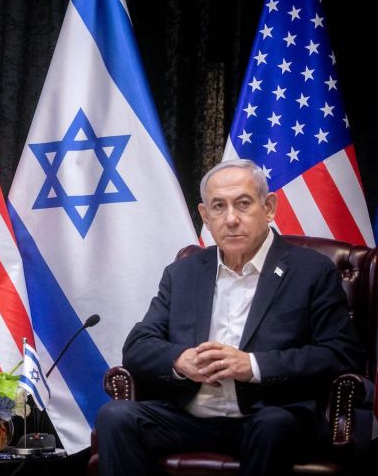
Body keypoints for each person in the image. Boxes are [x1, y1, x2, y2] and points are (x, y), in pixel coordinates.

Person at [95, 159, 363, 475]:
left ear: (269, 207)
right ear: (205, 216)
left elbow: (339, 353)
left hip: (269, 416)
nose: (231, 219)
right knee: (115, 417)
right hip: (190, 416)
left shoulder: (311, 272)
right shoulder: (183, 273)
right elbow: (138, 345)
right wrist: (180, 362)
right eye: (219, 207)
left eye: (243, 204)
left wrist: (251, 366)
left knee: (272, 424)